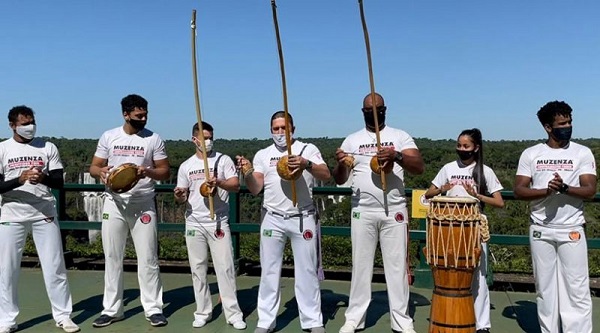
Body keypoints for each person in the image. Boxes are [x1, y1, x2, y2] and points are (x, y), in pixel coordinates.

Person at [333, 92, 424, 333]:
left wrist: (397, 155)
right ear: (362, 112)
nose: (375, 113)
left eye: (379, 109)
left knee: (396, 268)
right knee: (360, 266)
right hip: (362, 210)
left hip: (393, 210)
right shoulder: (352, 140)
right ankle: (354, 318)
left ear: (385, 109)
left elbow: (418, 167)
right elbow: (339, 178)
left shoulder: (399, 136)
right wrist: (341, 163)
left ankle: (402, 320)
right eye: (369, 110)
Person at [236, 111, 330, 333]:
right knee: (269, 271)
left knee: (306, 271)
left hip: (302, 217)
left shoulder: (307, 149)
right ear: (271, 131)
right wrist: (247, 172)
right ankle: (265, 321)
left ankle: (313, 320)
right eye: (276, 129)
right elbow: (255, 188)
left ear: (293, 129)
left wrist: (306, 164)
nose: (280, 133)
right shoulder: (263, 154)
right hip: (273, 218)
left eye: (284, 128)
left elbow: (325, 174)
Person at [514, 101, 596, 333]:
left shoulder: (582, 152)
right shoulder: (532, 154)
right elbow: (520, 190)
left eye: (569, 122)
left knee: (576, 288)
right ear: (548, 127)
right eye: (562, 123)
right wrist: (546, 191)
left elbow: (589, 190)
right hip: (541, 228)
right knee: (545, 288)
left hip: (571, 228)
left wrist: (565, 189)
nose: (567, 126)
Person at [89, 94, 170, 328]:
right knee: (113, 257)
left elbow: (164, 171)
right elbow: (94, 165)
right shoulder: (109, 136)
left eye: (145, 114)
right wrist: (101, 173)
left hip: (143, 203)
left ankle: (153, 308)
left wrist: (148, 172)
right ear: (126, 114)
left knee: (148, 258)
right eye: (138, 115)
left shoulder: (153, 139)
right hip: (114, 202)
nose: (143, 118)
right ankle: (112, 310)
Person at [0, 106, 80, 333]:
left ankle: (63, 316)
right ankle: (7, 319)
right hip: (11, 215)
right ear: (12, 125)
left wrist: (42, 177)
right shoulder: (2, 149)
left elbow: (58, 181)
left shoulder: (47, 146)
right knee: (7, 270)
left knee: (55, 267)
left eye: (32, 122)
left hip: (43, 214)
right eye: (25, 123)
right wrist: (20, 179)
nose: (30, 127)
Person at [424, 128, 504, 333]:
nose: (461, 149)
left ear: (476, 148)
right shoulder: (448, 168)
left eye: (466, 146)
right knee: (453, 276)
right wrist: (443, 188)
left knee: (479, 277)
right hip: (449, 231)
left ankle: (482, 325)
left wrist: (477, 195)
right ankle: (454, 317)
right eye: (459, 145)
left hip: (474, 228)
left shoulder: (485, 171)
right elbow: (429, 193)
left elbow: (499, 202)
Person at [174, 121, 246, 330]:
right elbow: (182, 195)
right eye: (204, 138)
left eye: (210, 137)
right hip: (194, 221)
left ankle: (233, 313)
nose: (208, 141)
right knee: (198, 268)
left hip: (218, 221)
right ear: (194, 139)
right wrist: (179, 195)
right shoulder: (186, 166)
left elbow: (235, 185)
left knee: (225, 268)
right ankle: (203, 311)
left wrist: (219, 182)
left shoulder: (222, 160)